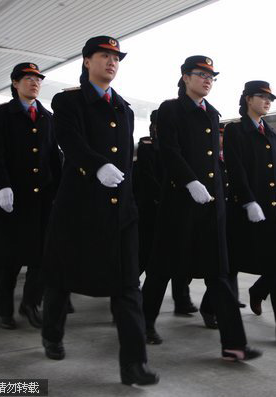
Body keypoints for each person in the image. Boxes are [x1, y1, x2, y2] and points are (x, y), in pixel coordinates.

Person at [42, 36, 159, 386]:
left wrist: (129, 202)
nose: (112, 62)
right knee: (61, 280)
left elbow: (125, 160)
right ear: (86, 61)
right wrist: (95, 166)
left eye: (116, 57)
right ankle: (52, 334)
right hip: (78, 209)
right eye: (104, 55)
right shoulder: (67, 101)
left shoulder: (123, 107)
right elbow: (70, 141)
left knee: (127, 289)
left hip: (119, 213)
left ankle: (133, 365)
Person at [142, 55, 261, 361]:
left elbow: (215, 161)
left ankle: (234, 344)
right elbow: (168, 150)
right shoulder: (170, 109)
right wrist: (189, 182)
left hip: (211, 207)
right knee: (160, 271)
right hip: (179, 205)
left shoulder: (213, 113)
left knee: (219, 274)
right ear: (185, 77)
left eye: (211, 76)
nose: (207, 79)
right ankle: (142, 326)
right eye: (201, 74)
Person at [224, 81, 276, 346]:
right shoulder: (236, 131)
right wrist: (248, 201)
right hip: (245, 213)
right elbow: (235, 169)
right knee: (231, 267)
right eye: (262, 96)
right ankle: (211, 308)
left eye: (269, 97)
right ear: (248, 99)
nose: (267, 101)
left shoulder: (271, 133)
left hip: (272, 214)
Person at [0, 62, 62, 330]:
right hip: (11, 200)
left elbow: (54, 156)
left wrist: (59, 191)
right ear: (15, 84)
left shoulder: (47, 117)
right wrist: (2, 185)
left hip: (41, 200)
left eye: (37, 79)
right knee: (8, 260)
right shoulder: (0, 114)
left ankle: (30, 303)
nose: (34, 83)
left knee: (42, 258)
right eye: (28, 78)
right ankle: (4, 311)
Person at [134, 110, 198, 317]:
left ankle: (182, 299)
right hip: (152, 210)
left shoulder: (181, 147)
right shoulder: (147, 148)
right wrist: (162, 198)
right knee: (144, 255)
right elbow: (147, 178)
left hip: (175, 208)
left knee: (180, 256)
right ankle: (128, 297)